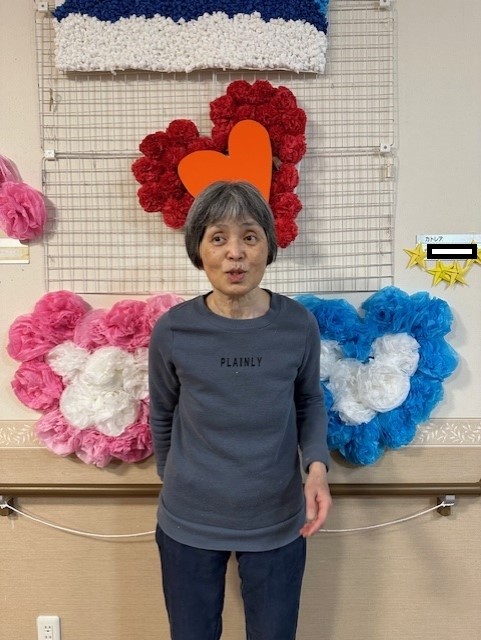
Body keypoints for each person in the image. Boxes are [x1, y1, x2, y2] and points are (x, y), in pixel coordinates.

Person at [149, 180, 332, 640]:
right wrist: (176, 477)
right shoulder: (173, 330)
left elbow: (309, 400)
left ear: (268, 247)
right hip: (187, 523)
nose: (235, 253)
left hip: (278, 521)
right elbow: (163, 412)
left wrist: (316, 468)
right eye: (218, 238)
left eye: (250, 236)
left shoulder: (297, 325)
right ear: (199, 250)